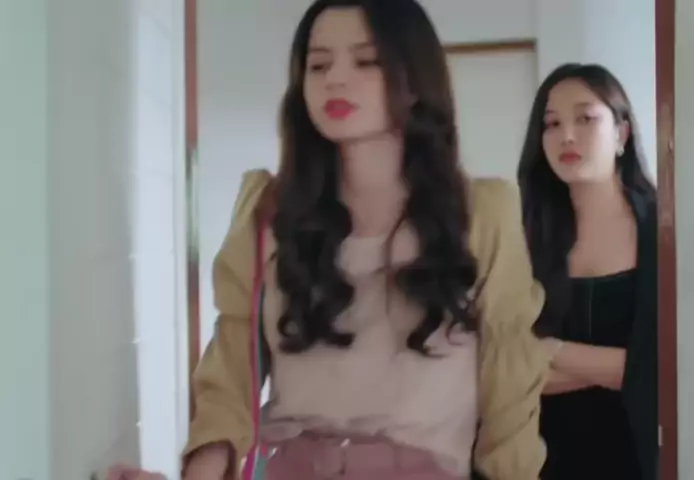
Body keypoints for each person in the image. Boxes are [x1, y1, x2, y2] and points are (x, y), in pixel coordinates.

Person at [111, 0, 551, 479]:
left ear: (414, 79)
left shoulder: (483, 213)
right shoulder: (267, 211)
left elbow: (510, 392)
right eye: (318, 65)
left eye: (366, 60)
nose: (335, 79)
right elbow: (231, 377)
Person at [517, 63, 659, 480]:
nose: (567, 135)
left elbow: (665, 370)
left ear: (621, 134)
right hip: (543, 460)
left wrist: (552, 351)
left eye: (585, 118)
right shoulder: (524, 236)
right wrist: (619, 369)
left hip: (639, 458)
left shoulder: (663, 232)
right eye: (552, 124)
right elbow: (505, 368)